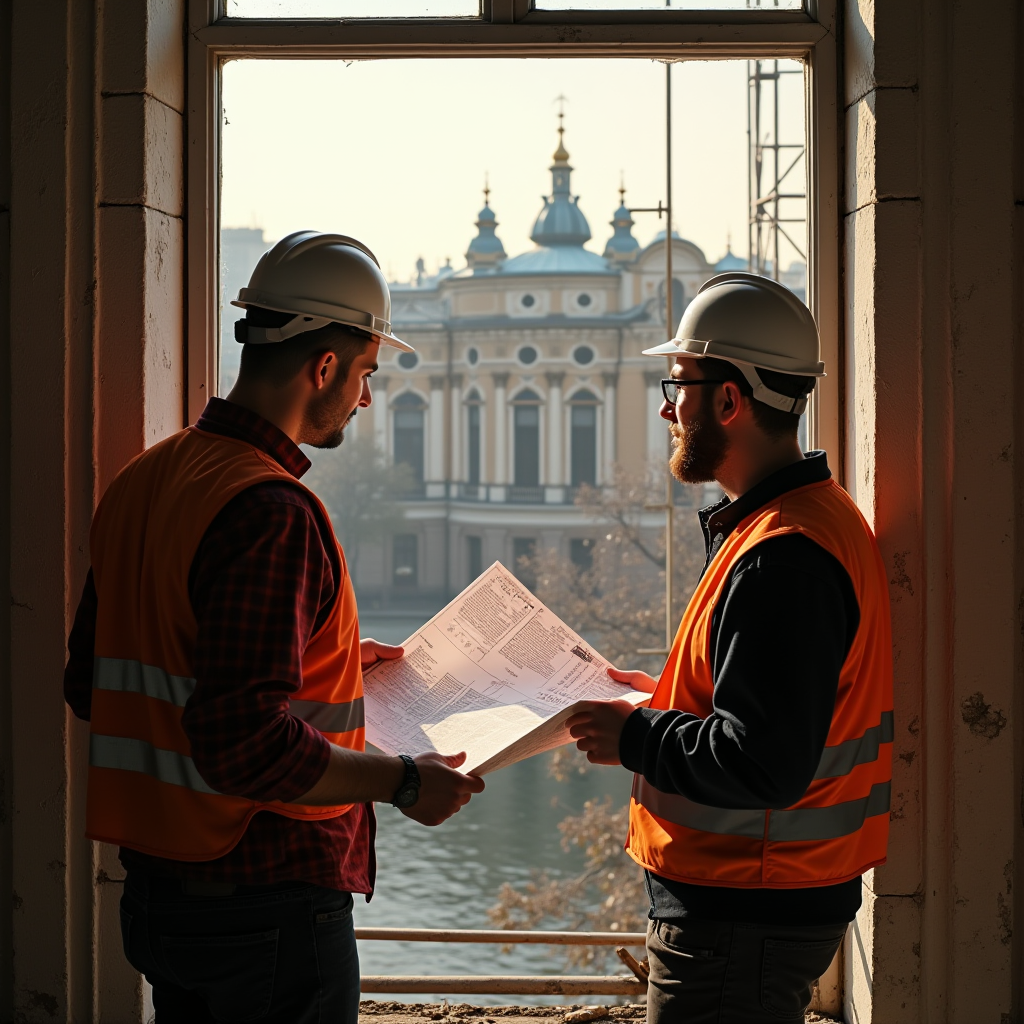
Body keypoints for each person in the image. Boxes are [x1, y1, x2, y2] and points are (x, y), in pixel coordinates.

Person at [64, 231, 485, 1024]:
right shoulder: (271, 511)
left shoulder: (145, 479)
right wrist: (403, 781)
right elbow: (242, 741)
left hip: (161, 896)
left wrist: (317, 665)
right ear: (323, 366)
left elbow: (93, 681)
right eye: (363, 374)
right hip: (265, 903)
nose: (364, 399)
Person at [567, 273, 893, 1024]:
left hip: (743, 912)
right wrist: (659, 696)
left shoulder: (784, 555)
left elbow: (762, 760)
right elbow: (768, 701)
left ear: (728, 400)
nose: (664, 406)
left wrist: (635, 735)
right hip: (763, 900)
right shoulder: (804, 521)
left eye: (676, 383)